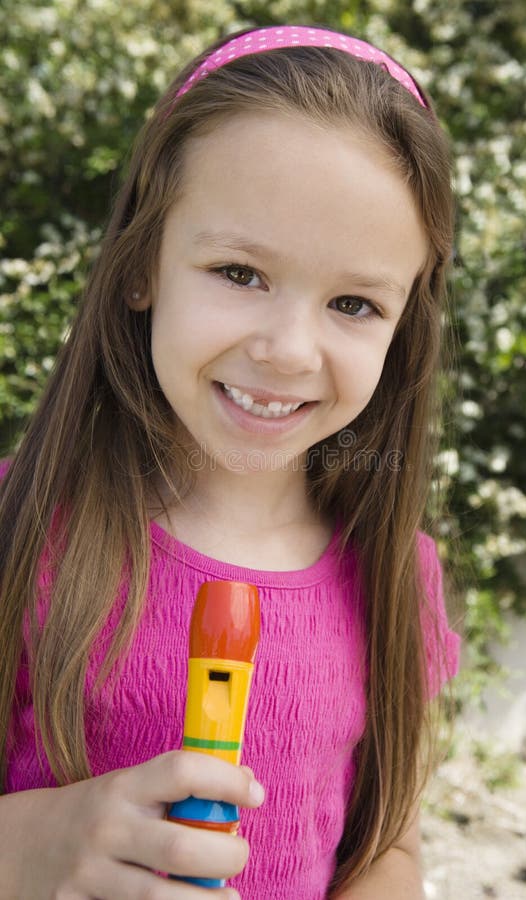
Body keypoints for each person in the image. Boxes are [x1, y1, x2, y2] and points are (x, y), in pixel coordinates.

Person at [0, 23, 460, 900]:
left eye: (354, 302)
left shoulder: (398, 580)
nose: (288, 350)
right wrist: (28, 849)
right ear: (143, 266)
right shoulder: (20, 532)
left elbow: (386, 847)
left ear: (403, 331)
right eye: (241, 272)